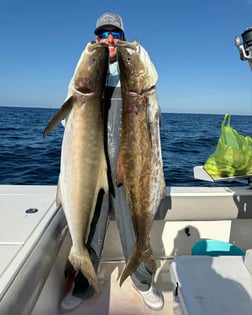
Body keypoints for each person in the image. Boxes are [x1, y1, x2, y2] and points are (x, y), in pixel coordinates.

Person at [60, 12, 164, 312]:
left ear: (122, 38)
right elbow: (71, 125)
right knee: (90, 226)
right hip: (93, 164)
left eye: (115, 34)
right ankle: (83, 284)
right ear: (95, 39)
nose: (109, 39)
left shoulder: (133, 74)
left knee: (134, 223)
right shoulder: (90, 69)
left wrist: (137, 55)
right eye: (103, 34)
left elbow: (150, 95)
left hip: (127, 165)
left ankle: (143, 281)